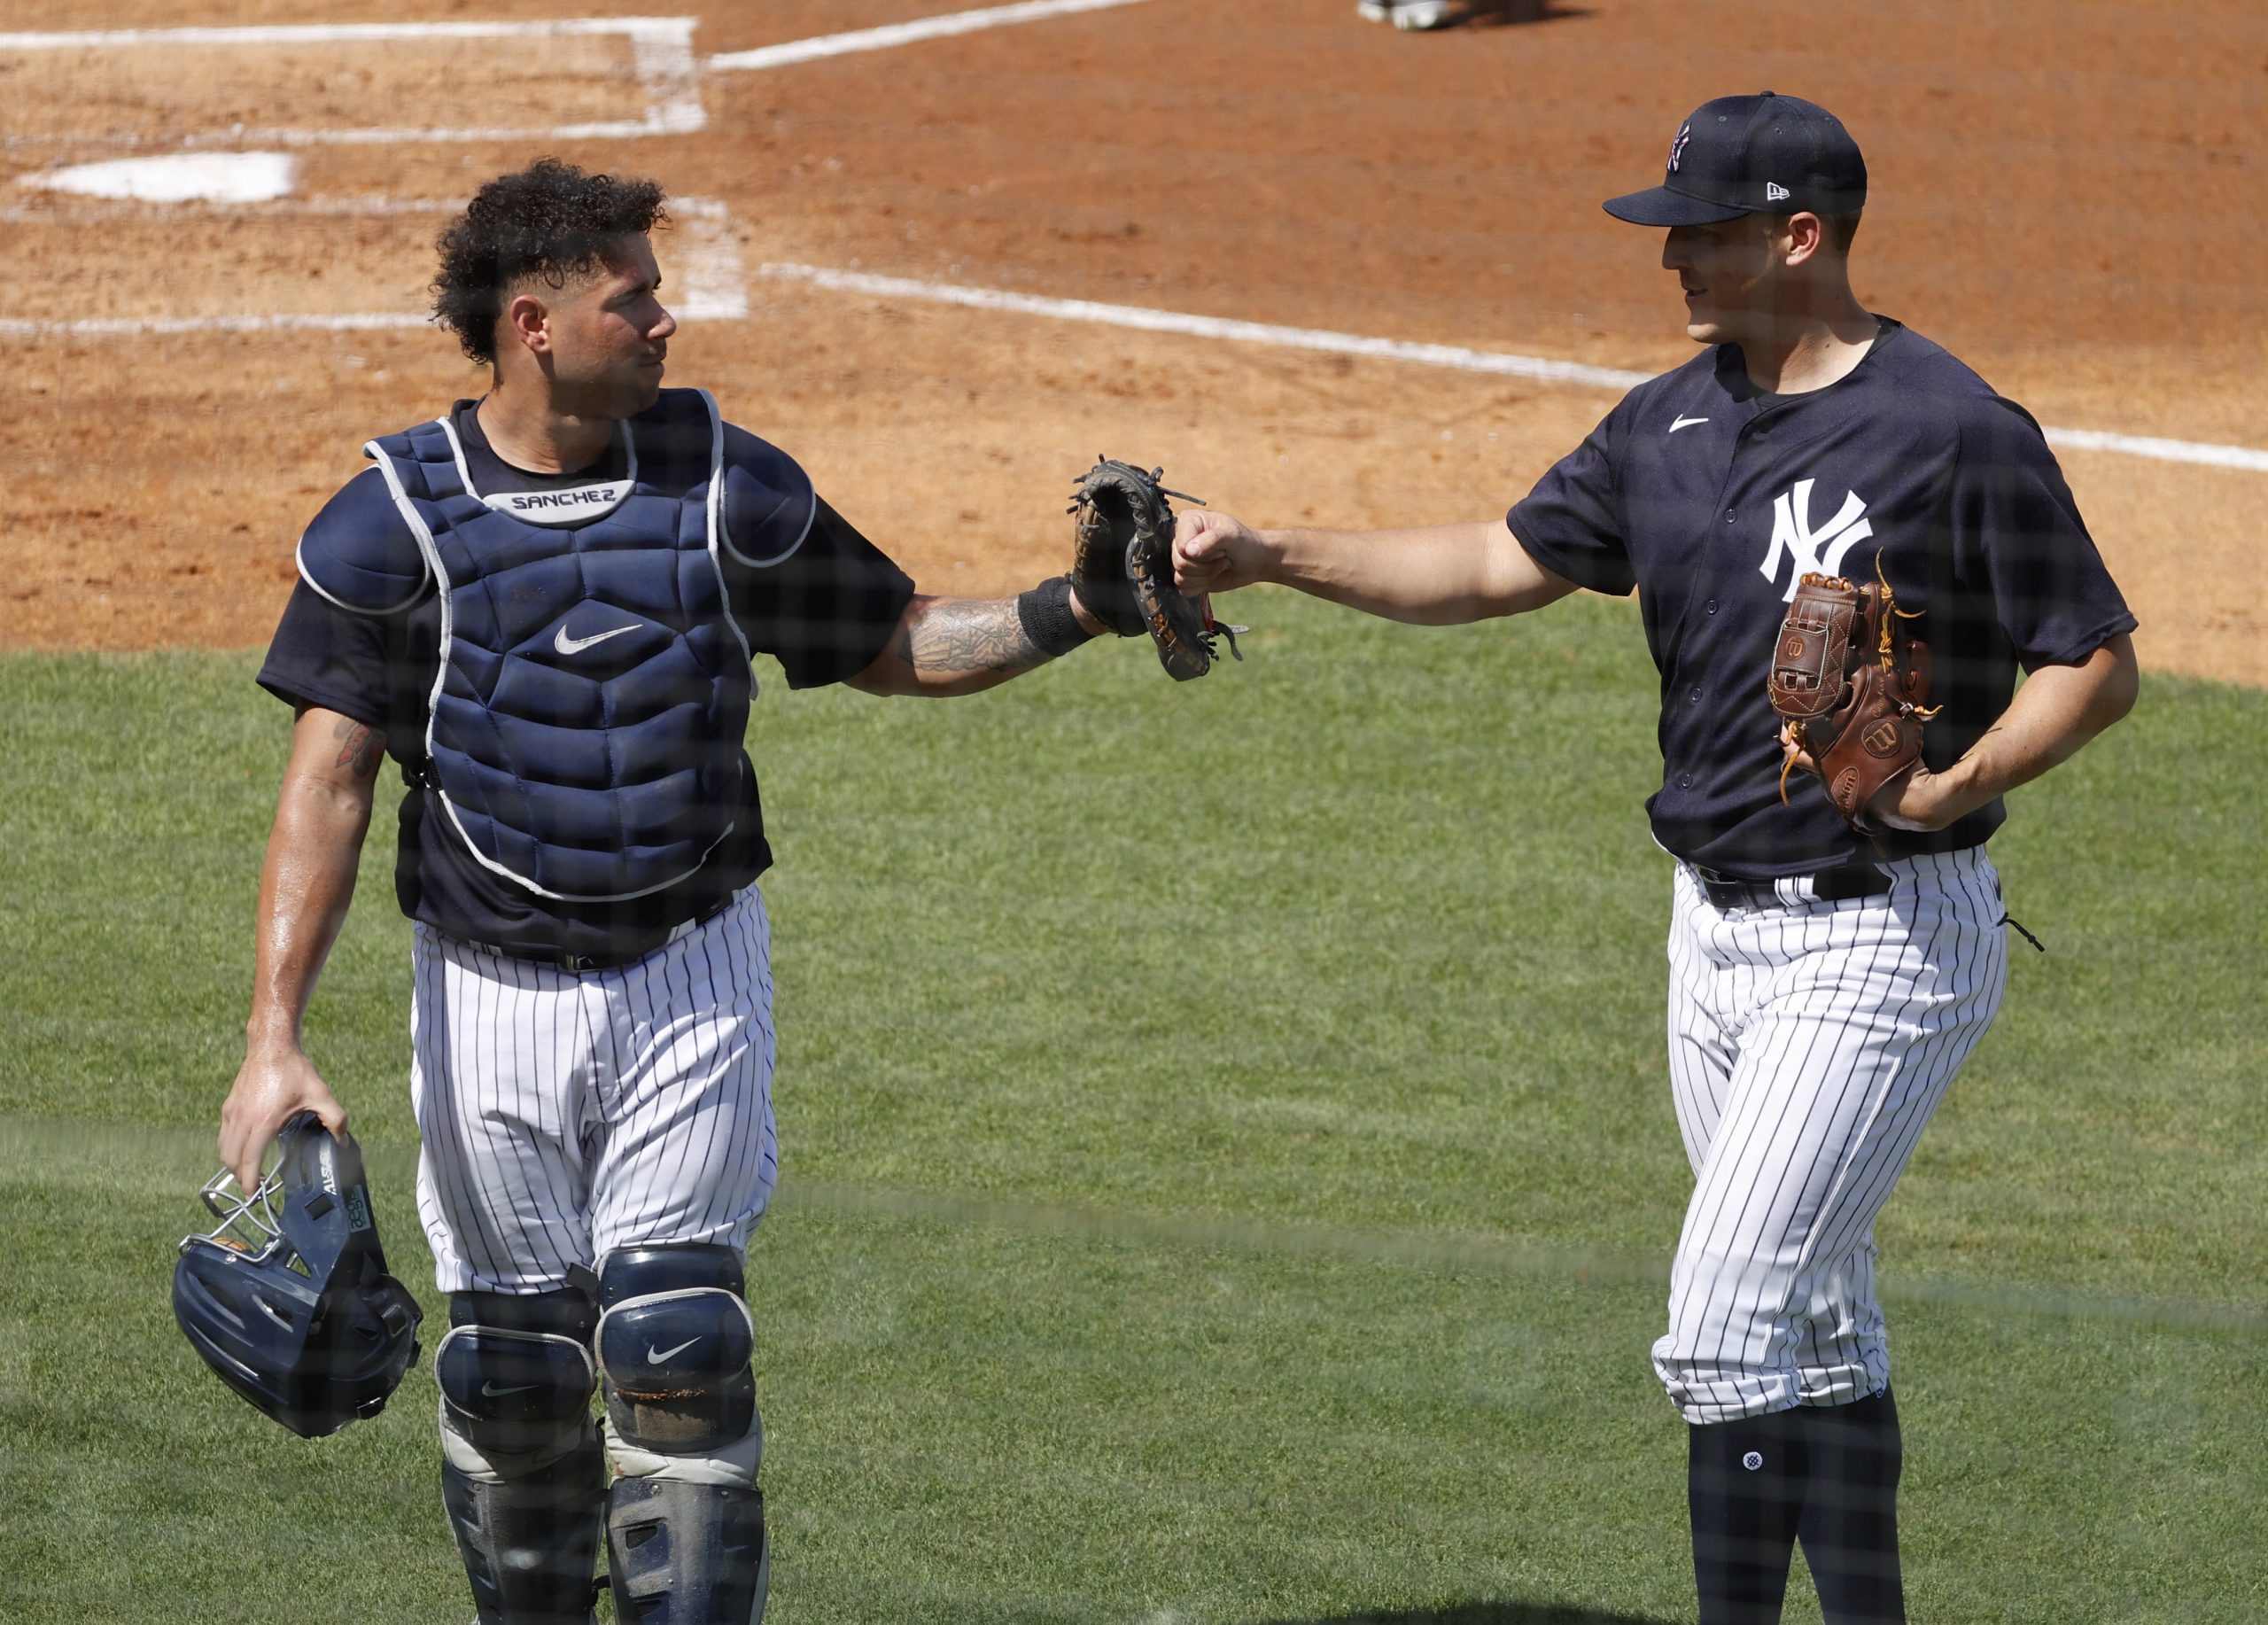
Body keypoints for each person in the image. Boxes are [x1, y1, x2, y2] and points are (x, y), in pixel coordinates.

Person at [1174, 94, 2138, 1624]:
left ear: (1800, 237)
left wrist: (1954, 784)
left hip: (1878, 937)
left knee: (1728, 1319)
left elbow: (2090, 659)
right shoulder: (1669, 422)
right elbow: (1498, 562)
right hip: (1712, 936)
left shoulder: (1951, 427)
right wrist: (1273, 554)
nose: (1672, 255)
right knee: (1812, 1319)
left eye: (1703, 229)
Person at [217, 158, 1120, 1625]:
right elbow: (328, 780)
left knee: (678, 1348)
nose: (665, 320)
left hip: (687, 974)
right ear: (535, 323)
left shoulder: (723, 482)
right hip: (484, 991)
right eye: (633, 298)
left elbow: (897, 640)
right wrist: (275, 1036)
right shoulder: (395, 521)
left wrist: (1075, 605)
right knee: (514, 1371)